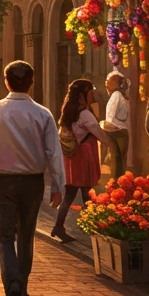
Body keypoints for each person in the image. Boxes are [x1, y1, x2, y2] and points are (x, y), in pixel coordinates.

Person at [0, 61, 64, 296]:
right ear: (31, 82)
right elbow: (54, 153)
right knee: (26, 234)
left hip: (2, 180)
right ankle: (21, 287)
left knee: (3, 235)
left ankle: (12, 280)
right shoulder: (43, 114)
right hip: (33, 182)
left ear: (5, 81)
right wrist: (58, 185)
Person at [52, 79, 112, 243]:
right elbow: (98, 132)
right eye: (90, 92)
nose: (92, 95)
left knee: (75, 194)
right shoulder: (85, 113)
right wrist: (113, 143)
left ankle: (65, 227)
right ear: (82, 95)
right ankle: (96, 231)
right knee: (84, 194)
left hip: (73, 158)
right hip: (83, 159)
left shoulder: (69, 111)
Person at [100, 71, 131, 179]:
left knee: (115, 162)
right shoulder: (123, 96)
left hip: (115, 132)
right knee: (121, 162)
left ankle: (115, 186)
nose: (107, 86)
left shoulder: (116, 95)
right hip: (123, 132)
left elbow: (111, 118)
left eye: (109, 83)